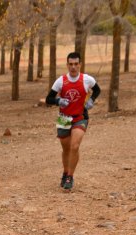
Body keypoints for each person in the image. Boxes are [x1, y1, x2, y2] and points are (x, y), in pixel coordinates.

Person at [45, 52, 101, 190]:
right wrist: (58, 100)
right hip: (64, 118)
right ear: (67, 65)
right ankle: (65, 172)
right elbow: (48, 99)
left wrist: (92, 100)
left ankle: (70, 176)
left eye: (76, 64)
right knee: (66, 148)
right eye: (71, 64)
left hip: (80, 117)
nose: (73, 67)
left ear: (80, 64)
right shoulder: (61, 81)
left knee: (74, 146)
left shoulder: (87, 79)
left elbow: (97, 90)